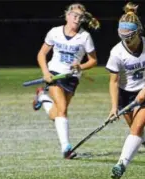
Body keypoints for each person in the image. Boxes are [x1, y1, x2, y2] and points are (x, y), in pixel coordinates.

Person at [105, 2, 145, 179]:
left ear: (138, 31)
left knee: (137, 127)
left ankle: (121, 164)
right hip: (125, 94)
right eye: (122, 36)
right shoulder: (116, 53)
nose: (126, 41)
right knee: (136, 130)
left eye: (129, 37)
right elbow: (113, 81)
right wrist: (114, 107)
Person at [32, 3, 100, 159]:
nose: (77, 19)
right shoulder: (55, 32)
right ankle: (66, 148)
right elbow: (41, 54)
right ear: (67, 15)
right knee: (62, 109)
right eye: (74, 16)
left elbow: (93, 60)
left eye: (80, 17)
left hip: (71, 78)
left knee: (56, 114)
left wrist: (80, 66)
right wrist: (46, 72)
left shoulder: (85, 37)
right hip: (55, 74)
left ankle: (42, 97)